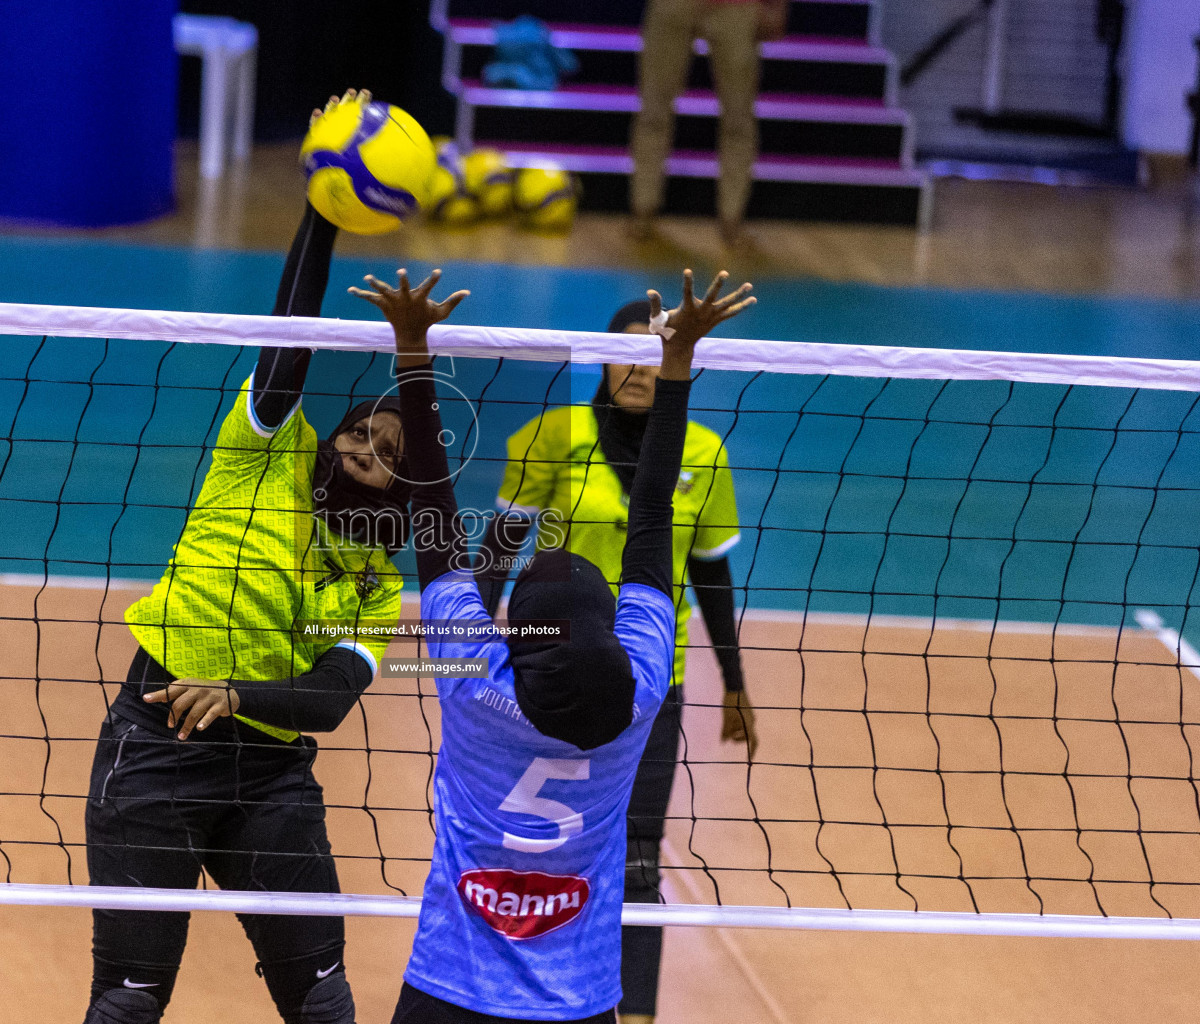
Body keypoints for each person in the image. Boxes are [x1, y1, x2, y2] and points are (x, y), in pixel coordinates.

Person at [351, 265, 753, 1022]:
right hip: (578, 1002)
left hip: (448, 991)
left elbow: (435, 518)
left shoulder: (473, 687)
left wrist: (411, 350)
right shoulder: (639, 698)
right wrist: (679, 366)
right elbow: (654, 524)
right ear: (615, 629)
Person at [81, 92, 405, 1024]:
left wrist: (238, 696)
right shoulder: (259, 455)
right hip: (156, 748)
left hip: (269, 774)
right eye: (360, 433)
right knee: (132, 998)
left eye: (391, 456)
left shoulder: (375, 584)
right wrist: (323, 206)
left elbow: (330, 698)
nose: (365, 452)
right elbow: (290, 339)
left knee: (322, 998)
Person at [474, 299, 758, 1024]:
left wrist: (734, 682)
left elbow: (711, 576)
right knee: (533, 848)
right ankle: (519, 991)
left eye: (656, 350)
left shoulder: (705, 452)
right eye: (626, 350)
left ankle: (633, 1016)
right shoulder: (548, 437)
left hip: (654, 683)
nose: (639, 366)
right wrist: (462, 650)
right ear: (598, 357)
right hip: (549, 680)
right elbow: (500, 550)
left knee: (637, 855)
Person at [628, 0, 789, 245]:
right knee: (653, 111)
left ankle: (732, 221)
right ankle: (643, 213)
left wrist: (777, 7)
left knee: (739, 118)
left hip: (737, 7)